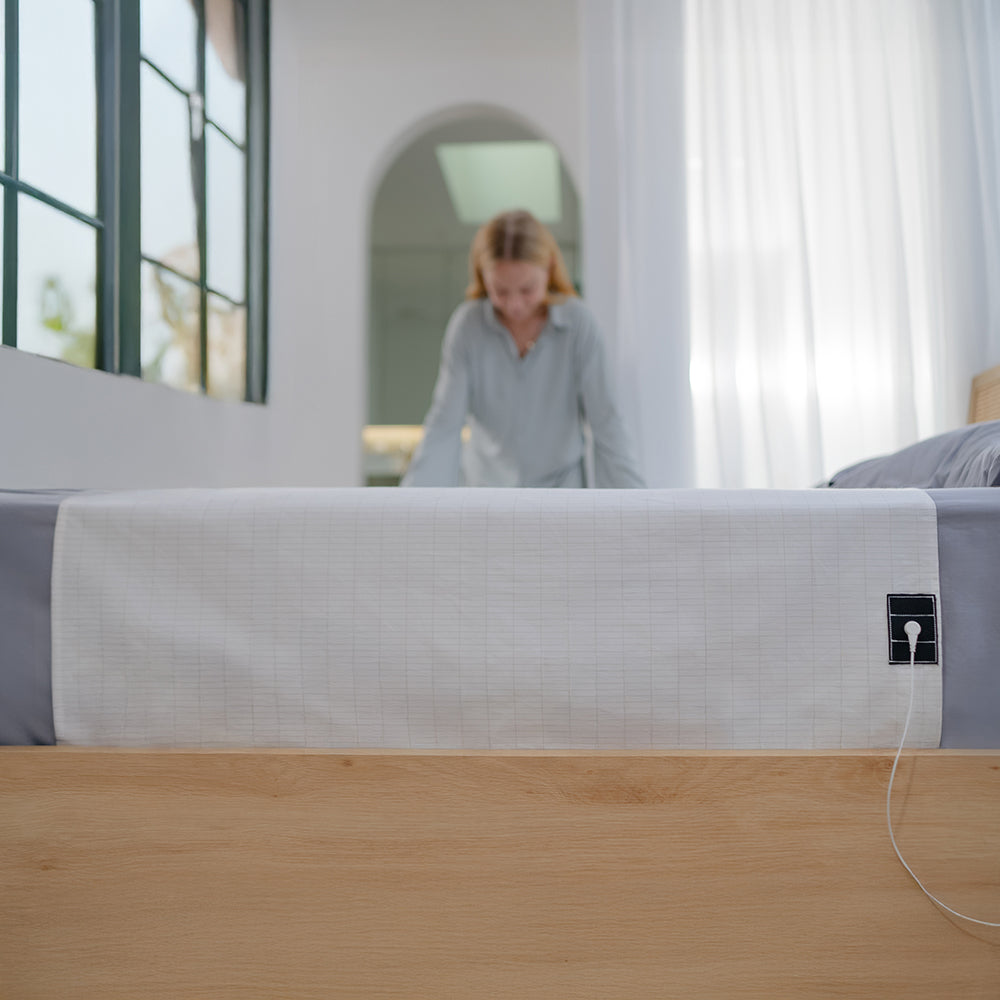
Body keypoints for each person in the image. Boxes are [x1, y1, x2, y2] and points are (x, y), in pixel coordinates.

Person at [401, 209, 645, 488]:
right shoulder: (468, 327)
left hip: (561, 491)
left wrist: (636, 502)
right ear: (483, 277)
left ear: (549, 269)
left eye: (527, 289)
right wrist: (410, 502)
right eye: (501, 291)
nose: (514, 305)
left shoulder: (578, 324)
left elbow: (607, 423)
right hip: (487, 489)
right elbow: (445, 423)